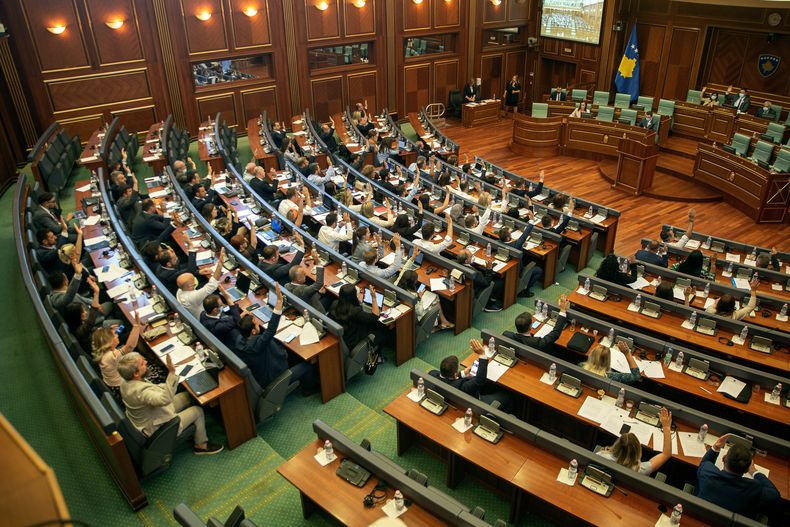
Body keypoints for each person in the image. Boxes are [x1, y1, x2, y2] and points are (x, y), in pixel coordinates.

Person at [118, 352, 223, 455]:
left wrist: (171, 381)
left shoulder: (125, 381)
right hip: (159, 427)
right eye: (142, 363)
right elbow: (164, 399)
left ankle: (195, 428)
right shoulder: (141, 392)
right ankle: (201, 445)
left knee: (186, 396)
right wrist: (171, 373)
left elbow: (155, 390)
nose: (146, 362)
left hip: (154, 413)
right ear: (136, 374)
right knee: (197, 411)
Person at [232, 284, 314, 392]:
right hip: (273, 379)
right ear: (253, 331)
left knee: (285, 349)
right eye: (256, 324)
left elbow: (240, 324)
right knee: (307, 366)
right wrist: (279, 302)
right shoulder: (257, 344)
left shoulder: (239, 340)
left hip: (260, 375)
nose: (258, 325)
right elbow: (270, 330)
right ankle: (308, 391)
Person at [696, 433, 779, 517]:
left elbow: (705, 462)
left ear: (724, 459)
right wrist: (754, 471)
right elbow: (774, 495)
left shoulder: (707, 471)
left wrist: (716, 447)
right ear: (747, 469)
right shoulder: (753, 488)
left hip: (702, 517)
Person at [430, 339, 510, 410]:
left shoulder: (432, 374)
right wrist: (482, 354)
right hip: (474, 405)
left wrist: (462, 373)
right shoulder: (463, 387)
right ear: (454, 374)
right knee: (506, 395)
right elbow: (480, 380)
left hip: (451, 400)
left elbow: (448, 378)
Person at [597, 408, 673, 475]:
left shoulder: (601, 455)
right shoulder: (640, 471)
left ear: (616, 446)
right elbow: (666, 454)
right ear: (638, 452)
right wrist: (666, 427)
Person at [92, 313, 142, 396]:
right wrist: (136, 326)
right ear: (108, 341)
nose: (117, 335)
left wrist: (109, 330)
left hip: (115, 385)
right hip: (124, 388)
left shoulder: (102, 351)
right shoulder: (111, 356)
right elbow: (130, 346)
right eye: (114, 334)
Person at [330, 283, 389, 351]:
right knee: (382, 333)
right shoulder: (355, 311)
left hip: (344, 336)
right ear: (353, 296)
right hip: (353, 342)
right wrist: (373, 297)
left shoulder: (335, 303)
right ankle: (377, 357)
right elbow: (375, 316)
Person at [504, 295, 569, 350]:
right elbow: (555, 333)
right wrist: (562, 311)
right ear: (530, 326)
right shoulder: (536, 342)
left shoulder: (506, 334)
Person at [176, 248, 224, 319]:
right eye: (193, 280)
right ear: (189, 285)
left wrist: (199, 272)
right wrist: (220, 264)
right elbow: (211, 286)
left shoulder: (179, 291)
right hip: (206, 318)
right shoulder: (193, 297)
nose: (195, 280)